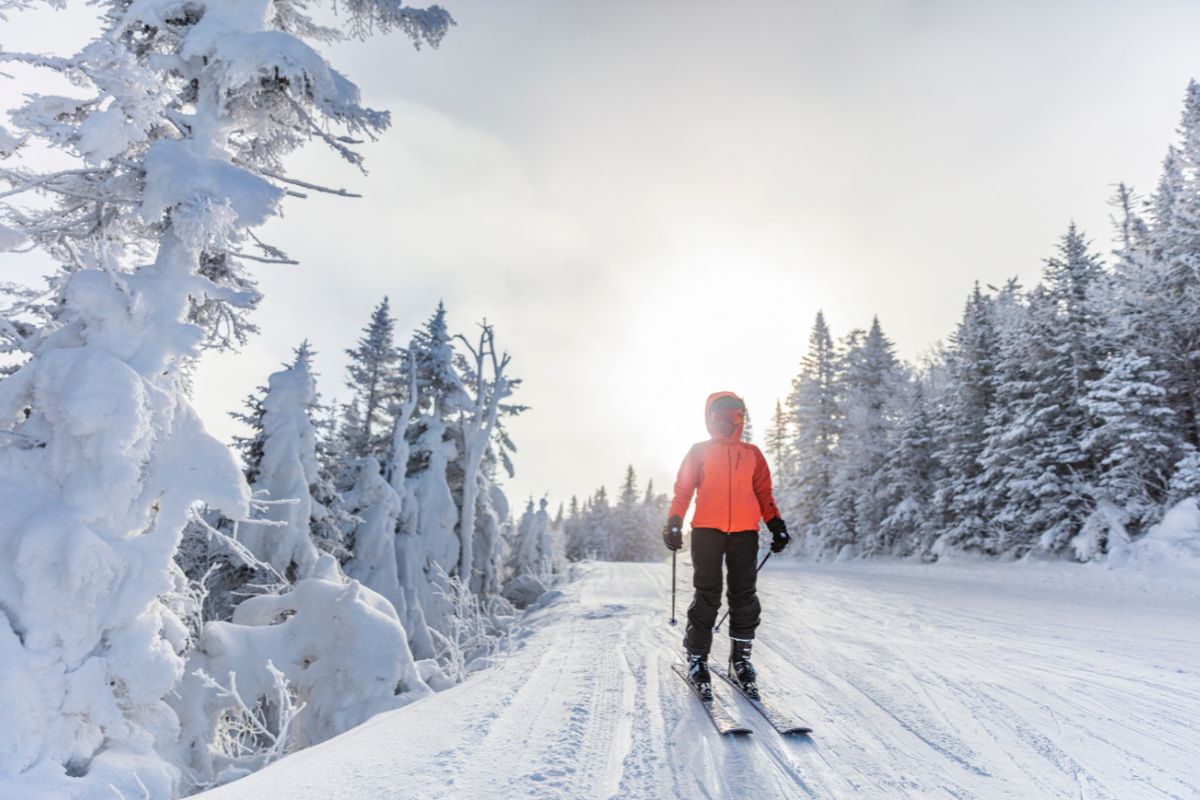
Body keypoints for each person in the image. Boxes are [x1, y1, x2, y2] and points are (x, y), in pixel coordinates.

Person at [663, 391, 790, 698]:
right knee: (707, 593)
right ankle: (697, 659)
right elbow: (683, 490)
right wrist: (674, 521)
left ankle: (740, 660)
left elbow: (764, 494)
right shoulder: (699, 451)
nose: (730, 420)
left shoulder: (752, 454)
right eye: (722, 415)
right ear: (710, 418)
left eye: (736, 414)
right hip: (707, 531)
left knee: (744, 595)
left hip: (745, 533)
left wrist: (776, 524)